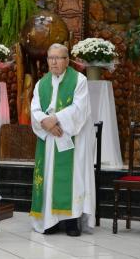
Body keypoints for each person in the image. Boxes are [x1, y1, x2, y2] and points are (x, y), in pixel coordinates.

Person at [30, 43, 95, 236]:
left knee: (72, 177)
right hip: (49, 137)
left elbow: (79, 108)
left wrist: (55, 119)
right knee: (49, 176)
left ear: (67, 60)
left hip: (70, 138)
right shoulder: (41, 83)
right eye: (51, 58)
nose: (54, 62)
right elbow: (34, 109)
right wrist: (45, 122)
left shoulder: (79, 80)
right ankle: (50, 221)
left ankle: (71, 221)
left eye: (58, 58)